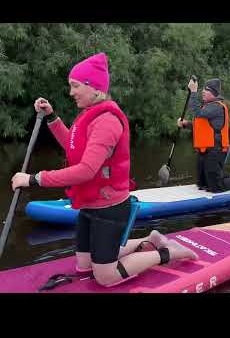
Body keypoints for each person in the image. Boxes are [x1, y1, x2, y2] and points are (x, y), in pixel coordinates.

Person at [11, 52, 197, 288]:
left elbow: (86, 170)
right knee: (84, 265)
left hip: (109, 209)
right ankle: (148, 240)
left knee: (105, 277)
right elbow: (72, 146)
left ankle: (168, 253)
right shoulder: (90, 115)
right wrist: (52, 117)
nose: (71, 92)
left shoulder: (107, 121)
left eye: (75, 86)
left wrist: (34, 179)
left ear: (94, 87)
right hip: (90, 205)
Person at [177, 78, 230, 193]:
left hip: (215, 150)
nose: (203, 91)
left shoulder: (217, 107)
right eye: (203, 89)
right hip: (204, 151)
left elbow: (198, 112)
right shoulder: (207, 107)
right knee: (202, 185)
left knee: (216, 187)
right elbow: (201, 128)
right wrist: (185, 124)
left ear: (214, 93)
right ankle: (222, 177)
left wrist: (193, 92)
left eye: (207, 90)